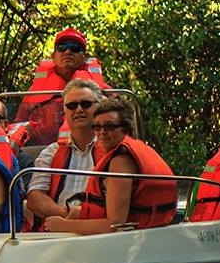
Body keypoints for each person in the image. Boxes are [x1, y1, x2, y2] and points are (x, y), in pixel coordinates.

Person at [43, 97, 176, 234]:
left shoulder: (121, 162)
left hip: (124, 242)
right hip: (152, 233)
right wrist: (80, 213)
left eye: (109, 126)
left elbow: (115, 225)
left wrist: (62, 225)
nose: (102, 132)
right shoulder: (137, 149)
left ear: (125, 129)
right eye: (97, 127)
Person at [26, 79, 107, 230]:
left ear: (99, 108)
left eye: (86, 104)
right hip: (57, 233)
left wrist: (80, 219)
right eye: (71, 106)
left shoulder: (113, 151)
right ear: (65, 112)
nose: (78, 110)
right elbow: (34, 198)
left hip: (98, 233)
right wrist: (68, 217)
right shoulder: (50, 152)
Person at [15, 28, 110, 146]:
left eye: (74, 48)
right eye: (61, 48)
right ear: (53, 56)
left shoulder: (104, 92)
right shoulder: (33, 92)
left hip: (88, 149)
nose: (67, 52)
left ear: (85, 57)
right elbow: (19, 124)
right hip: (38, 150)